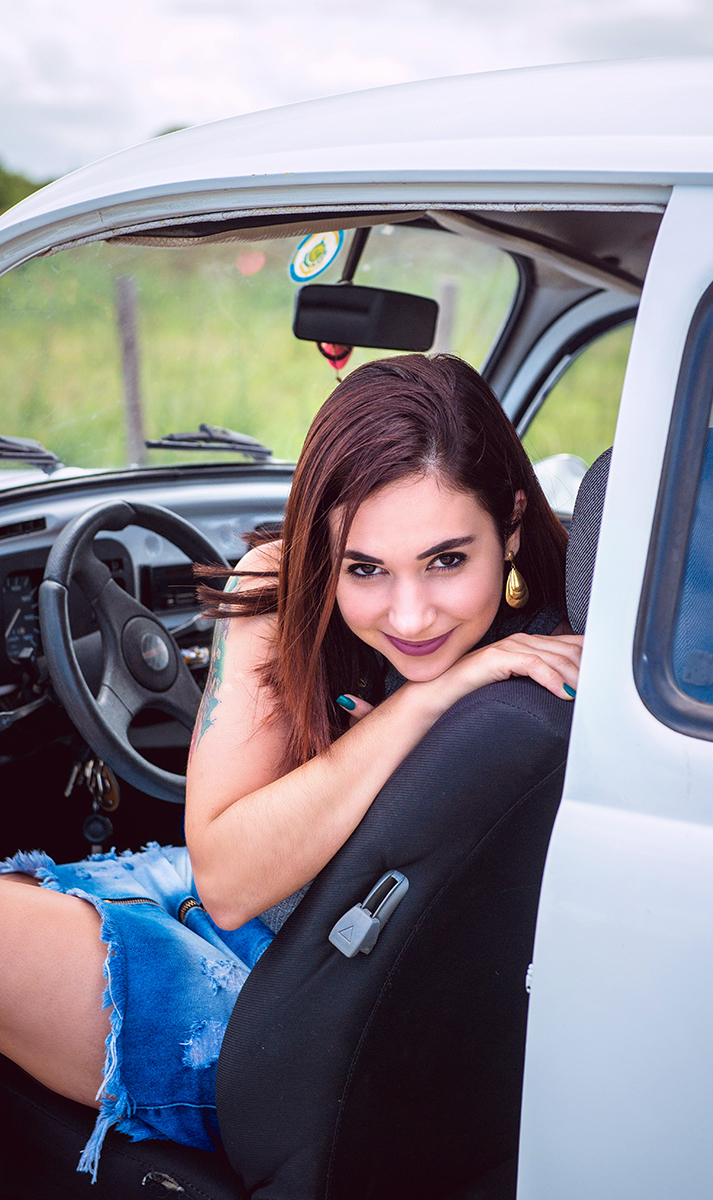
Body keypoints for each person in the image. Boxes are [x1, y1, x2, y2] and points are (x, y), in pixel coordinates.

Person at [0, 353, 582, 1179]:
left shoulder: (558, 658)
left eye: (447, 560)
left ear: (513, 523)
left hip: (293, 1014)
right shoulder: (281, 588)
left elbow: (236, 883)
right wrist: (429, 702)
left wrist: (420, 705)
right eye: (364, 569)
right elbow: (225, 874)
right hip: (234, 909)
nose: (409, 614)